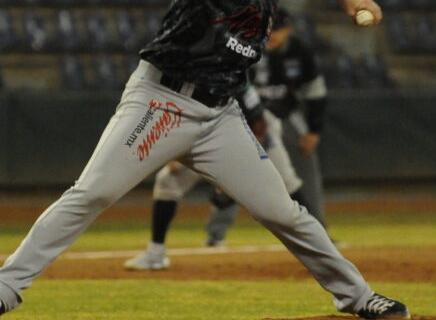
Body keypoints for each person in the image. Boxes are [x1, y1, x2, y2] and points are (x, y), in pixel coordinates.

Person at [0, 0, 410, 320]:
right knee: (92, 191)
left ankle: (358, 296)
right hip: (162, 100)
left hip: (220, 116)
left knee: (284, 211)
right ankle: (1, 293)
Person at [122, 82, 312, 270]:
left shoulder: (234, 79)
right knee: (168, 181)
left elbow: (259, 123)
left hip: (253, 134)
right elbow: (173, 119)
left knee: (287, 181)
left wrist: (237, 170)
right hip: (203, 130)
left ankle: (317, 243)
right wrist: (174, 154)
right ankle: (156, 253)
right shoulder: (181, 81)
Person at [204, 7, 331, 245]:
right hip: (246, 117)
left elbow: (316, 91)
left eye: (279, 29)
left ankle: (319, 230)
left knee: (305, 168)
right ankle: (216, 234)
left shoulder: (299, 51)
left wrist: (313, 129)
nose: (273, 34)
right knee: (234, 170)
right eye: (270, 29)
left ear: (289, 30)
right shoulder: (245, 45)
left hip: (287, 115)